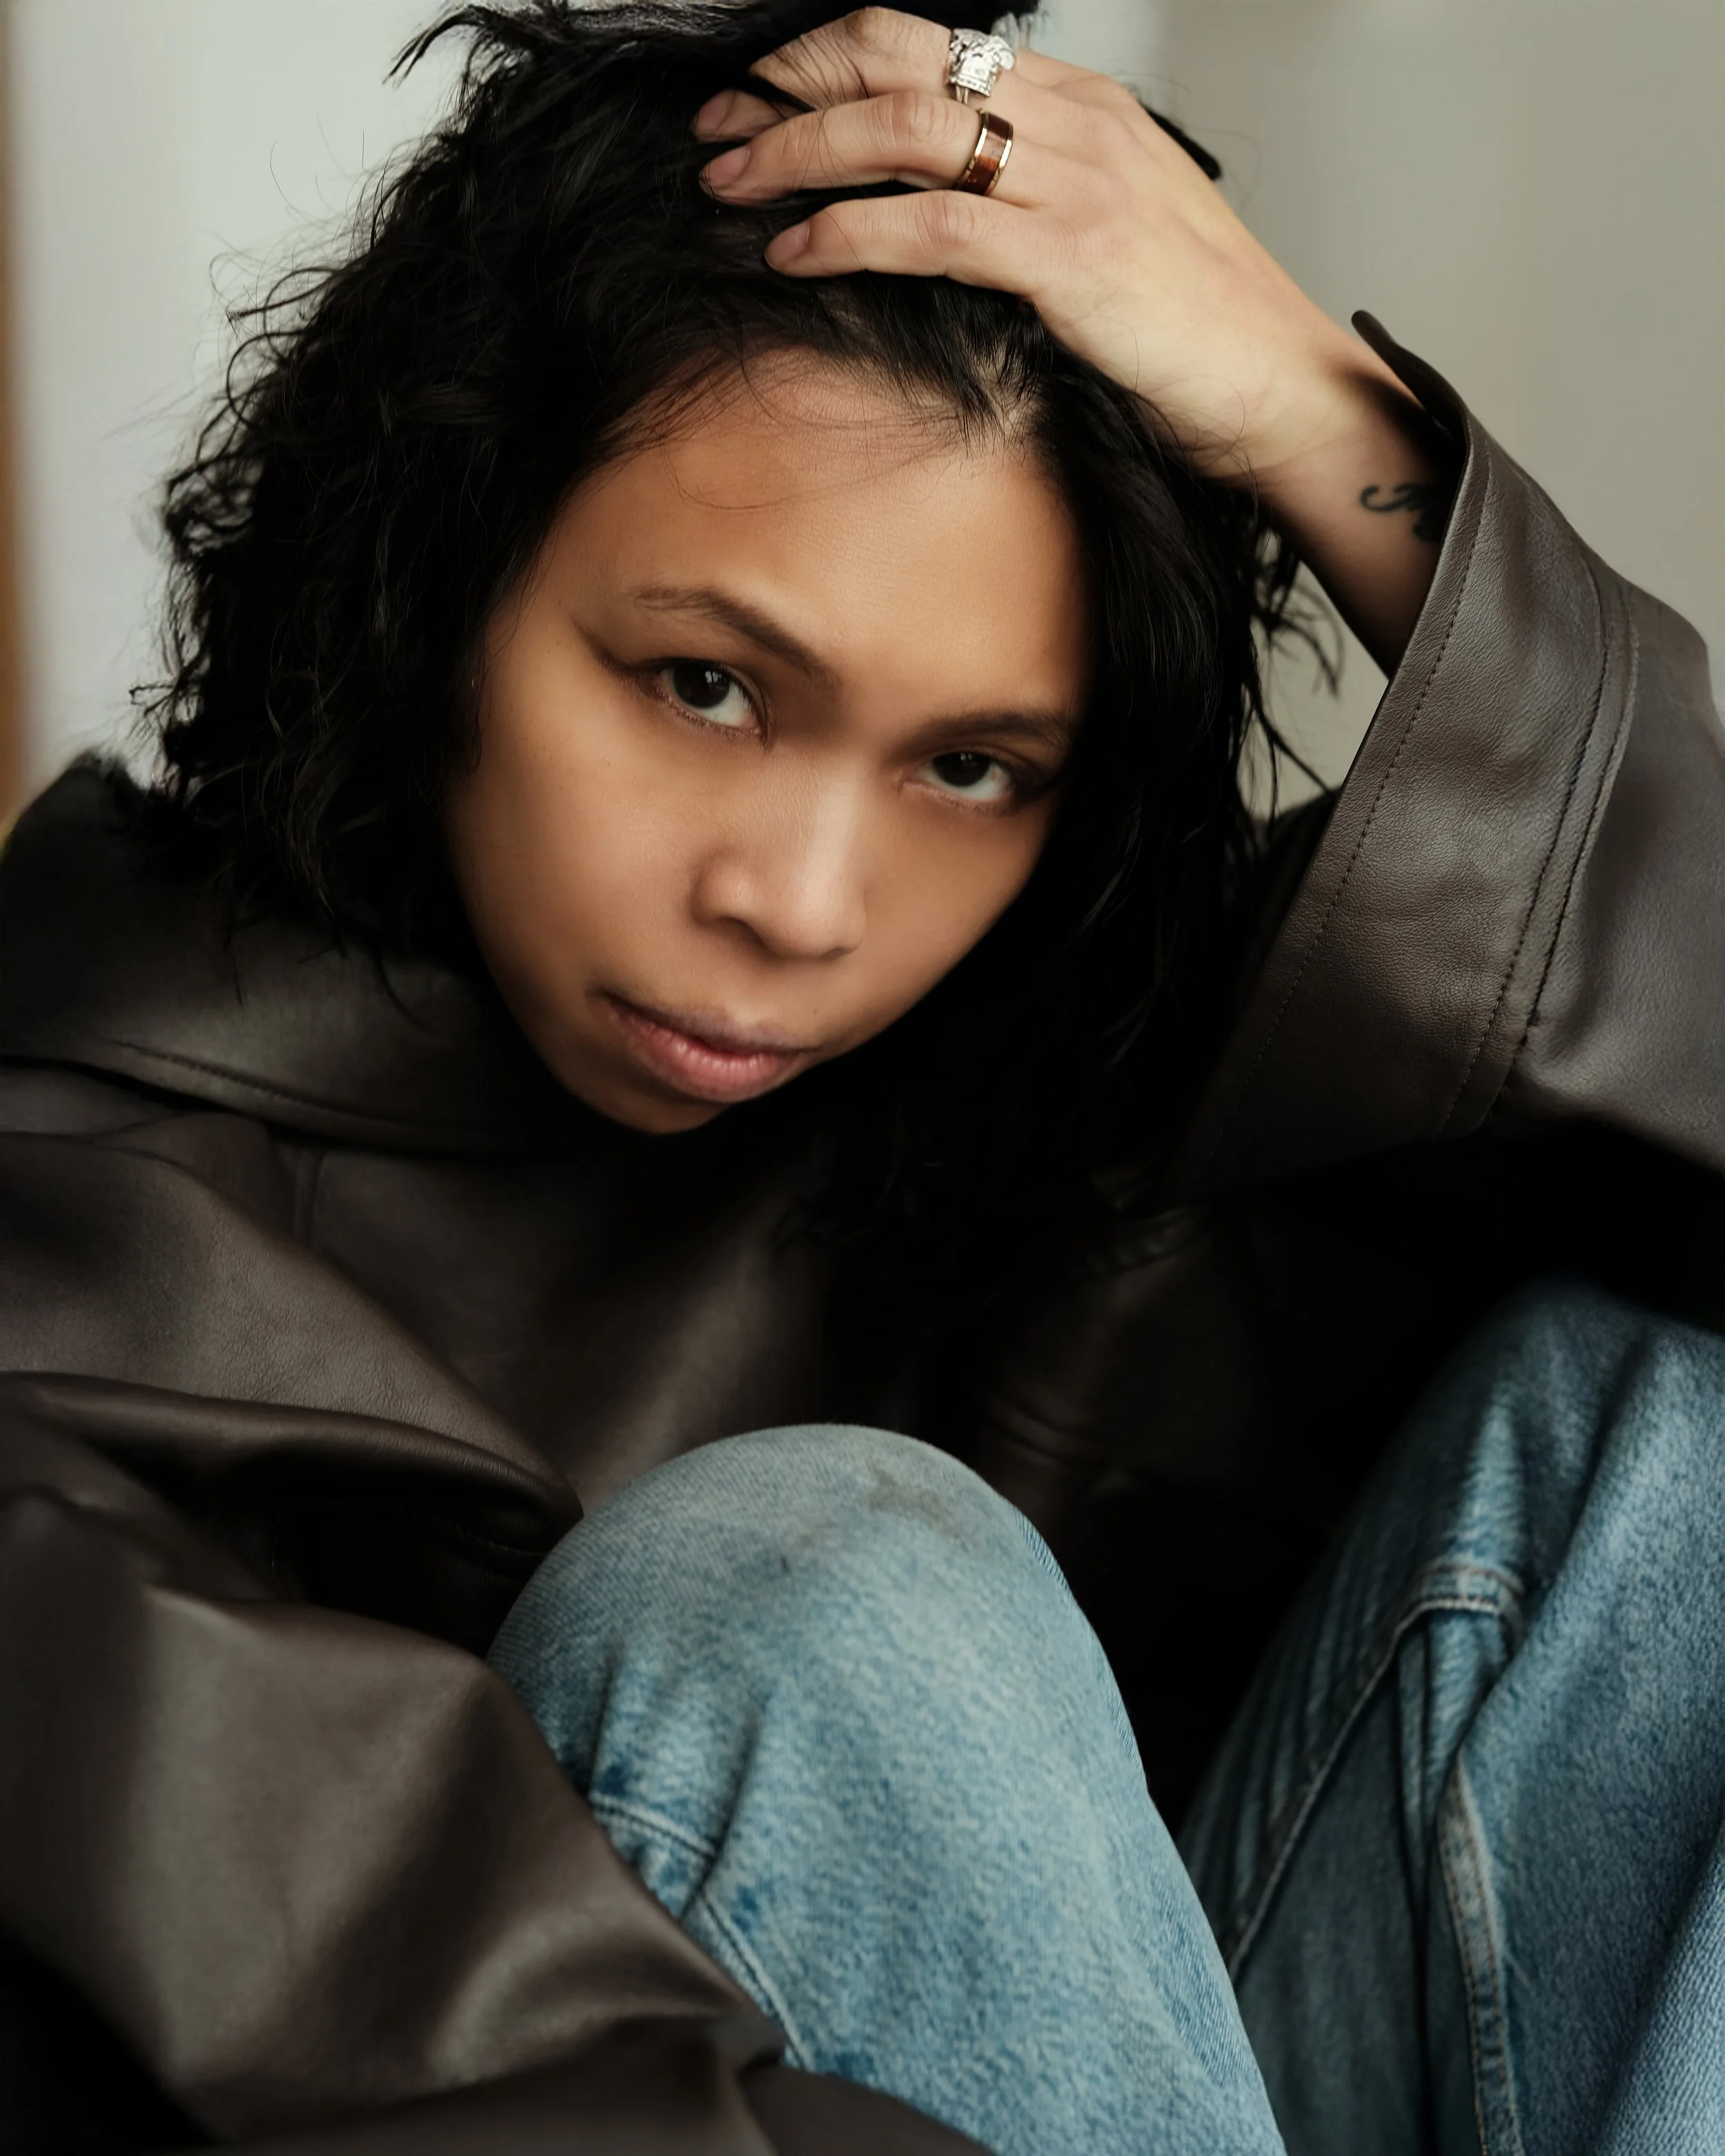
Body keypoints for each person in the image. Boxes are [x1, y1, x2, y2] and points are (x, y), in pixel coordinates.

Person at [0, 3, 1719, 2151]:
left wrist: (1319, 417)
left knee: (1671, 1400)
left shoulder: (1083, 1052)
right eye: (704, 683)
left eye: (970, 764)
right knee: (807, 1572)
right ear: (435, 583)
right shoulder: (72, 1234)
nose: (803, 904)